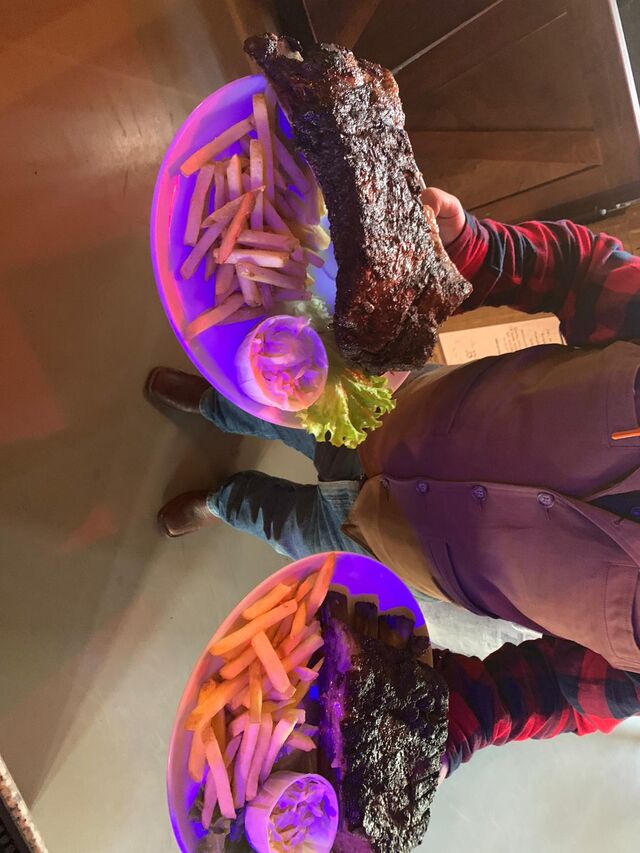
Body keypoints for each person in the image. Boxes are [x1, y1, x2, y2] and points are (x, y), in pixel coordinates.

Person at [145, 187, 640, 768]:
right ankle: (215, 406)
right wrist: (474, 249)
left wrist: (441, 738)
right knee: (278, 411)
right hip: (390, 406)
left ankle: (225, 502)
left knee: (287, 527)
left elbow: (549, 692)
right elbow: (584, 275)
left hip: (395, 549)